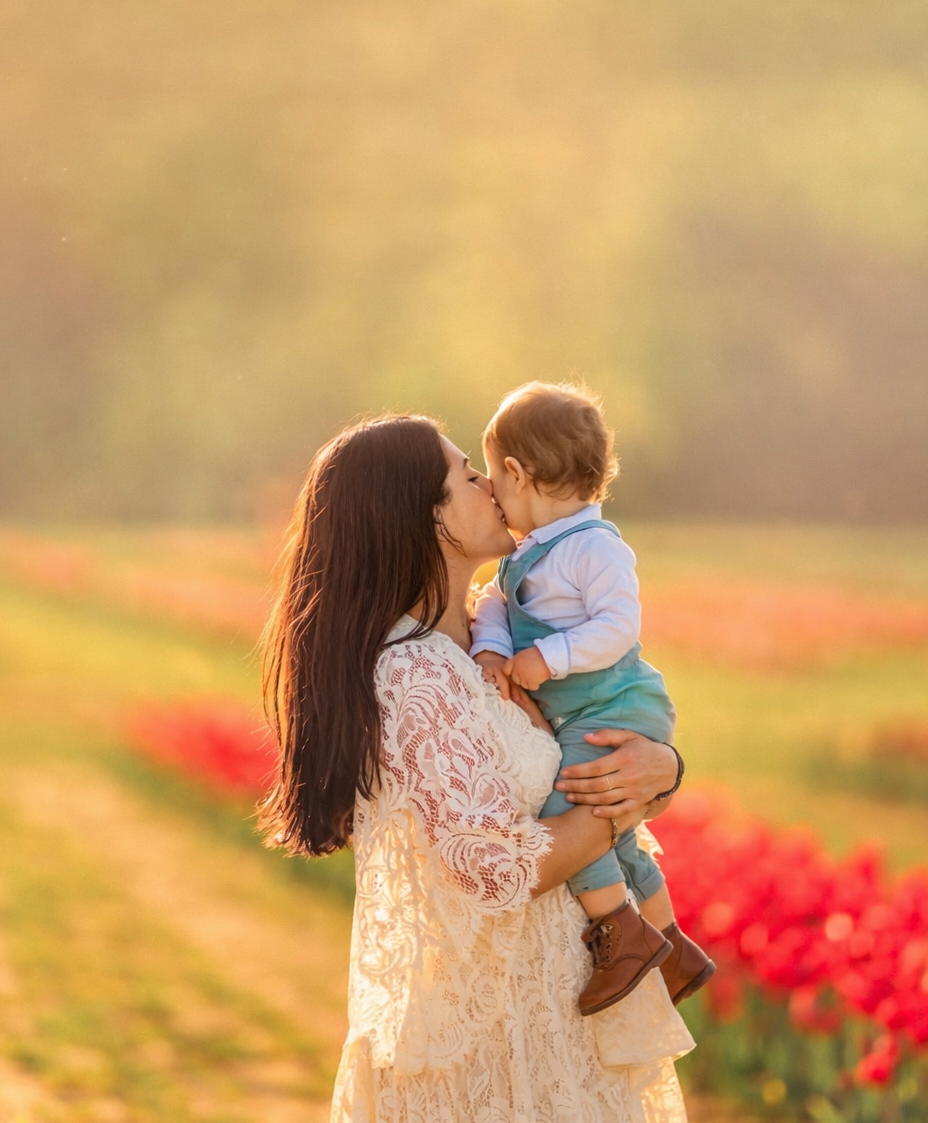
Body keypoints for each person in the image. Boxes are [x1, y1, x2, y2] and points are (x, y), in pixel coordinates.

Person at [260, 415, 694, 1123]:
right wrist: (622, 798)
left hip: (565, 1018)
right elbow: (499, 867)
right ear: (426, 517)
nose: (491, 483)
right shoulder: (413, 670)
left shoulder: (505, 635)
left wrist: (663, 766)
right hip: (489, 1042)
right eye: (466, 475)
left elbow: (601, 742)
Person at [471, 382, 715, 1015]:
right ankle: (672, 944)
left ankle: (622, 936)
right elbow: (497, 603)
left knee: (570, 810)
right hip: (584, 709)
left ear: (517, 474)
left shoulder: (594, 547)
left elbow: (617, 628)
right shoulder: (529, 553)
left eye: (491, 477)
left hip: (615, 704)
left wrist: (546, 659)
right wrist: (493, 651)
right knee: (621, 839)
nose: (489, 493)